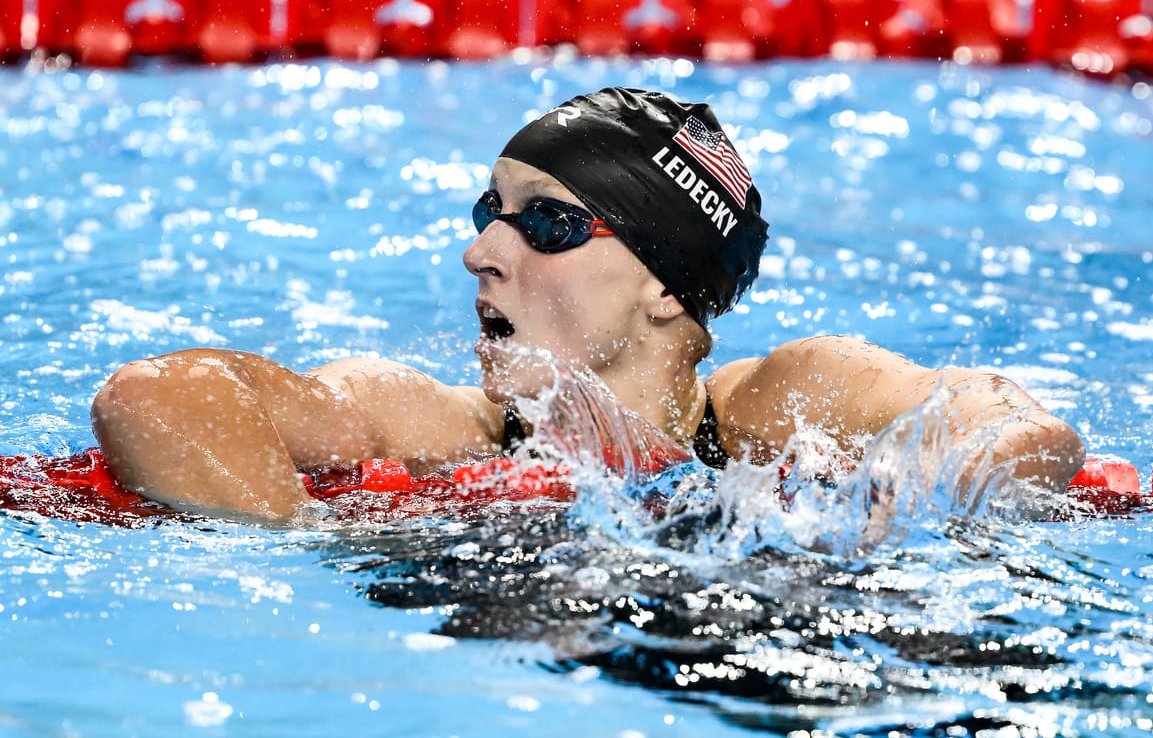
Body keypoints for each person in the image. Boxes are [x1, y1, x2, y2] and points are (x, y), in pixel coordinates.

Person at [90, 87, 1085, 523]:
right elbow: (161, 396)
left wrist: (934, 476)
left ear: (666, 285)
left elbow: (1009, 420)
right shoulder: (433, 427)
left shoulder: (781, 403)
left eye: (547, 223)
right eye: (489, 212)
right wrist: (310, 537)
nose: (482, 251)